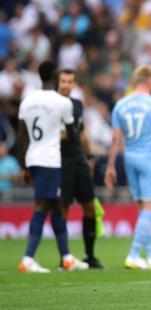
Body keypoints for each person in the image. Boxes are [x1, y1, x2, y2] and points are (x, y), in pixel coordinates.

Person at [17, 60, 88, 272]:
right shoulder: (62, 102)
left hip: (33, 158)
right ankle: (28, 258)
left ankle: (66, 257)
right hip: (50, 159)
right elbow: (73, 131)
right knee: (42, 205)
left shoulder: (27, 101)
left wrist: (24, 166)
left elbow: (22, 136)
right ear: (55, 78)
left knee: (56, 206)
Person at [104, 65, 151, 270]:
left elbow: (116, 137)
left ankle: (150, 255)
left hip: (129, 158)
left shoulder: (120, 105)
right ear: (150, 81)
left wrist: (110, 166)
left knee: (143, 208)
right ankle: (133, 254)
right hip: (150, 158)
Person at [57, 69, 104, 268]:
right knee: (63, 208)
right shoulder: (53, 105)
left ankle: (89, 255)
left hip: (78, 159)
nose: (66, 84)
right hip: (60, 160)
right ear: (57, 83)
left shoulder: (76, 105)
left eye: (70, 81)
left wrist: (90, 155)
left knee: (90, 207)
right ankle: (65, 257)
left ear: (74, 84)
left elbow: (82, 132)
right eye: (63, 81)